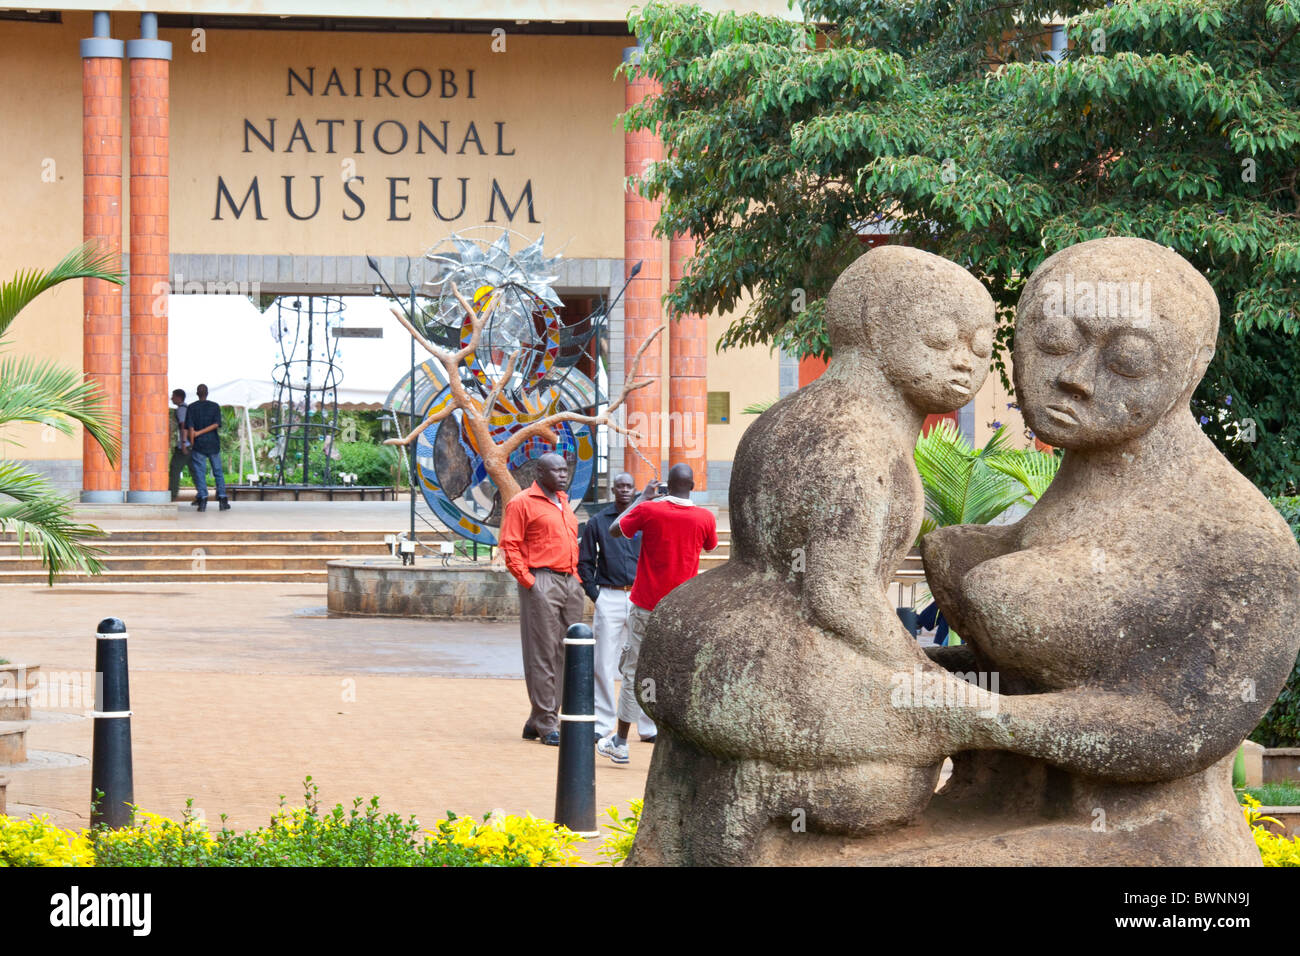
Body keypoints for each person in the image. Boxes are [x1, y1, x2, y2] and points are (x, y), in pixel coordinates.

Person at [596, 463, 717, 765]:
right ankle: (676, 741)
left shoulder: (650, 510)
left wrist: (642, 499)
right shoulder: (705, 517)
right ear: (692, 486)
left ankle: (621, 742)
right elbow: (711, 547)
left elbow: (614, 530)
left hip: (646, 605)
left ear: (666, 485)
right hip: (681, 610)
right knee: (675, 674)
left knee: (633, 672)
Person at [498, 452, 585, 747]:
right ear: (539, 472)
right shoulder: (521, 502)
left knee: (567, 652)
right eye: (556, 470)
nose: (563, 474)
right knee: (543, 652)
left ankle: (537, 717)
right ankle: (548, 721)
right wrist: (530, 583)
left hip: (569, 582)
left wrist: (577, 580)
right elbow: (510, 546)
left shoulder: (563, 502)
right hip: (542, 580)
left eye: (565, 470)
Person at [577, 472, 656, 745]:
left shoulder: (646, 520)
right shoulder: (598, 522)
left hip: (640, 595)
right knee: (604, 662)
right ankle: (603, 722)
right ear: (613, 490)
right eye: (620, 486)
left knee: (643, 661)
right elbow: (585, 562)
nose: (624, 490)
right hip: (609, 595)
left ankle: (647, 726)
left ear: (635, 490)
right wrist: (595, 595)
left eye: (629, 486)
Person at [186, 383, 230, 512]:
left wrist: (194, 440)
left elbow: (191, 428)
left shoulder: (191, 407)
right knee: (218, 472)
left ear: (197, 393)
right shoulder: (214, 406)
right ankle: (222, 500)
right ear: (207, 393)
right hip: (213, 444)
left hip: (198, 445)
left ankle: (203, 500)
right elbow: (216, 424)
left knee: (200, 473)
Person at [168, 389, 194, 502]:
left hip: (184, 445)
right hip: (190, 445)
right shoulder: (186, 408)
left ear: (179, 397)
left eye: (173, 396)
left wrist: (183, 443)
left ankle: (172, 495)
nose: (171, 398)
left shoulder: (181, 410)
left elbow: (184, 427)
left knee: (174, 468)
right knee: (195, 471)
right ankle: (202, 495)